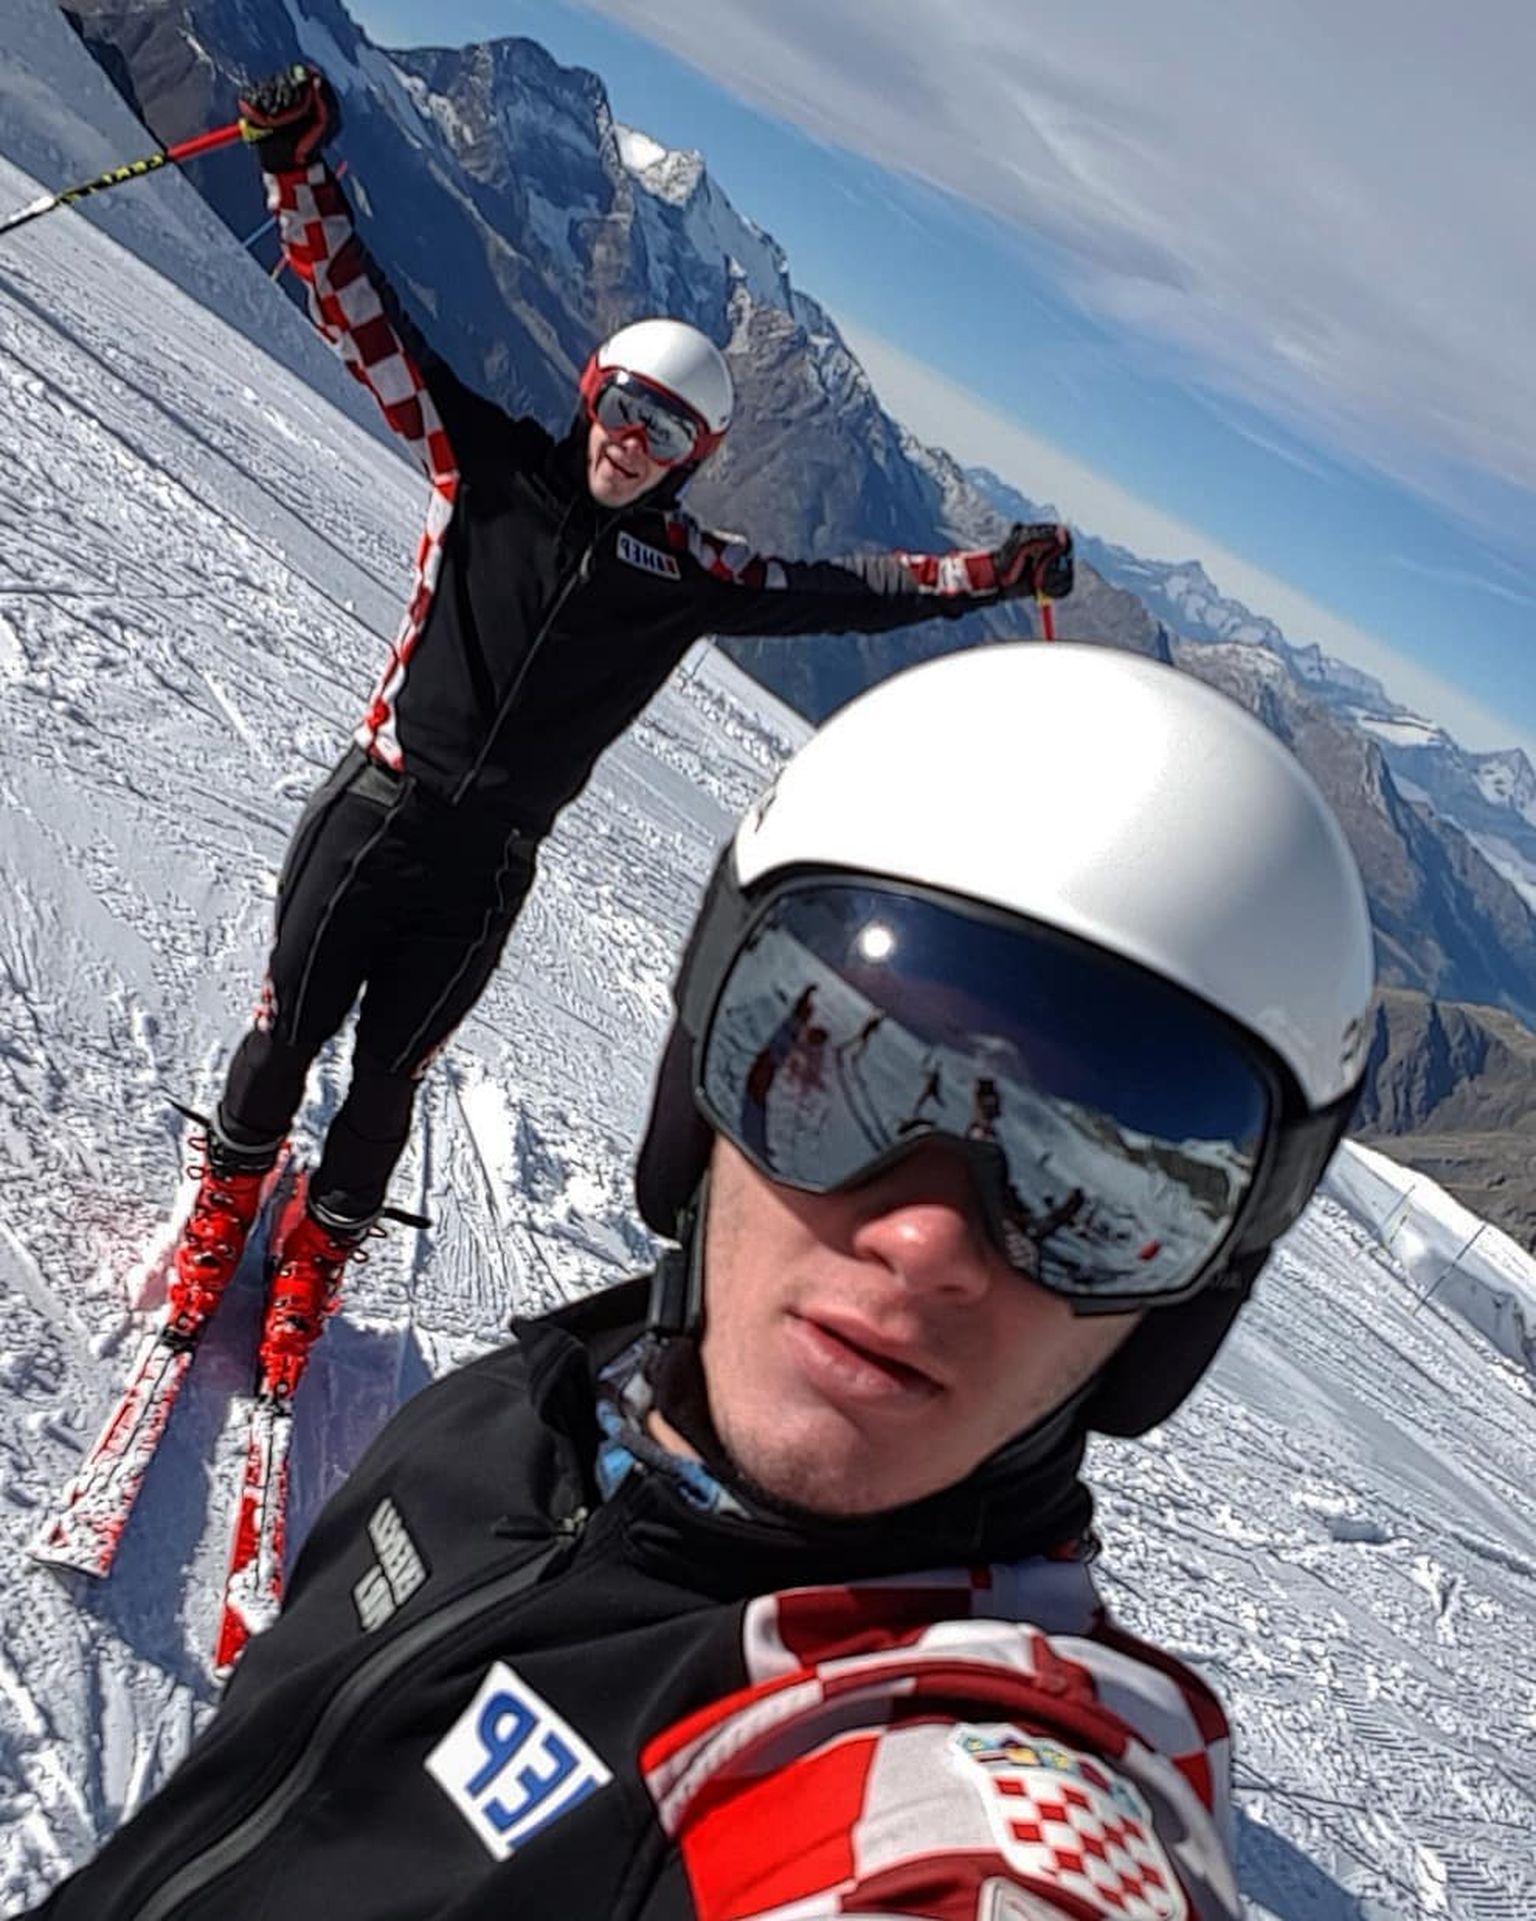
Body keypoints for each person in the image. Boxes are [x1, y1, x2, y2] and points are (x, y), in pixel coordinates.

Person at [28, 642, 1375, 1918]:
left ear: (1189, 1307)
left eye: (1102, 1195)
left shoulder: (967, 1794)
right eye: (851, 1072)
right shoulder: (524, 1415)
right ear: (700, 1080)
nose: (925, 1242)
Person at [170, 63, 1075, 1374]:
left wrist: (990, 574)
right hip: (376, 808)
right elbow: (363, 316)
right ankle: (226, 1210)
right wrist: (294, 172)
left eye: (669, 430)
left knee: (387, 1084)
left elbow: (852, 588)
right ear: (593, 390)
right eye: (626, 405)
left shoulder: (691, 572)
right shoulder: (479, 460)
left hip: (487, 864)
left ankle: (316, 1250)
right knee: (282, 1039)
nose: (634, 438)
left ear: (694, 457)